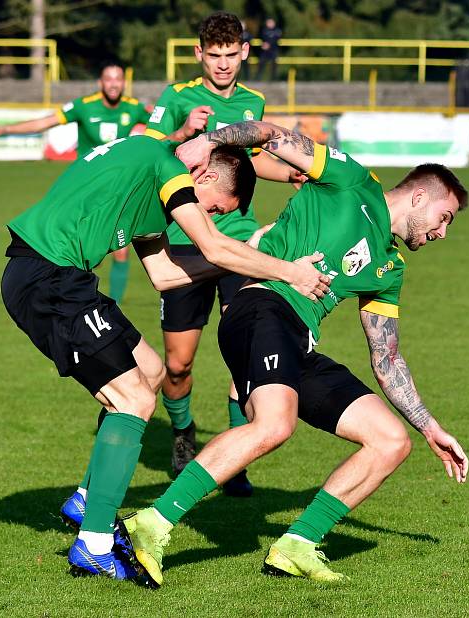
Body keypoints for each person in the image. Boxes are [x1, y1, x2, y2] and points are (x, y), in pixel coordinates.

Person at [119, 120, 469, 588]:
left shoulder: (391, 268)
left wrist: (429, 426)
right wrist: (206, 142)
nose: (443, 233)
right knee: (274, 424)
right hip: (261, 304)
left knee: (390, 440)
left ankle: (297, 544)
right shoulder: (353, 180)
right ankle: (151, 524)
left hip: (299, 339)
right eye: (445, 218)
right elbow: (269, 134)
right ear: (421, 197)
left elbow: (387, 360)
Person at [0, 133, 330, 581]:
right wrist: (289, 271)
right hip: (50, 280)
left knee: (151, 370)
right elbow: (213, 246)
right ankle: (94, 545)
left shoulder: (148, 182)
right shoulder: (166, 168)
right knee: (134, 400)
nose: (210, 216)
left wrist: (251, 258)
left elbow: (165, 273)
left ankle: (85, 498)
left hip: (53, 277)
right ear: (207, 175)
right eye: (215, 208)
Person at [143, 11, 303, 495]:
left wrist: (292, 172)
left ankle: (235, 456)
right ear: (199, 55)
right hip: (189, 242)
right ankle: (183, 434)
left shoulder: (253, 102)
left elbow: (250, 165)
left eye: (231, 55)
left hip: (239, 243)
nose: (223, 64)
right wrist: (181, 134)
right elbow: (144, 157)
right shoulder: (177, 98)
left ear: (245, 52)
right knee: (177, 365)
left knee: (246, 352)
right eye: (214, 55)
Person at [0, 62, 150, 304]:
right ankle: (76, 297)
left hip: (116, 190)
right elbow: (44, 123)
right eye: (108, 79)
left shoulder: (135, 108)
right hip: (84, 189)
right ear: (101, 83)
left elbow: (162, 128)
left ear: (124, 83)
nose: (113, 83)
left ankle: (114, 305)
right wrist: (3, 130)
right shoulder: (83, 106)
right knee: (84, 251)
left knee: (121, 249)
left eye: (117, 78)